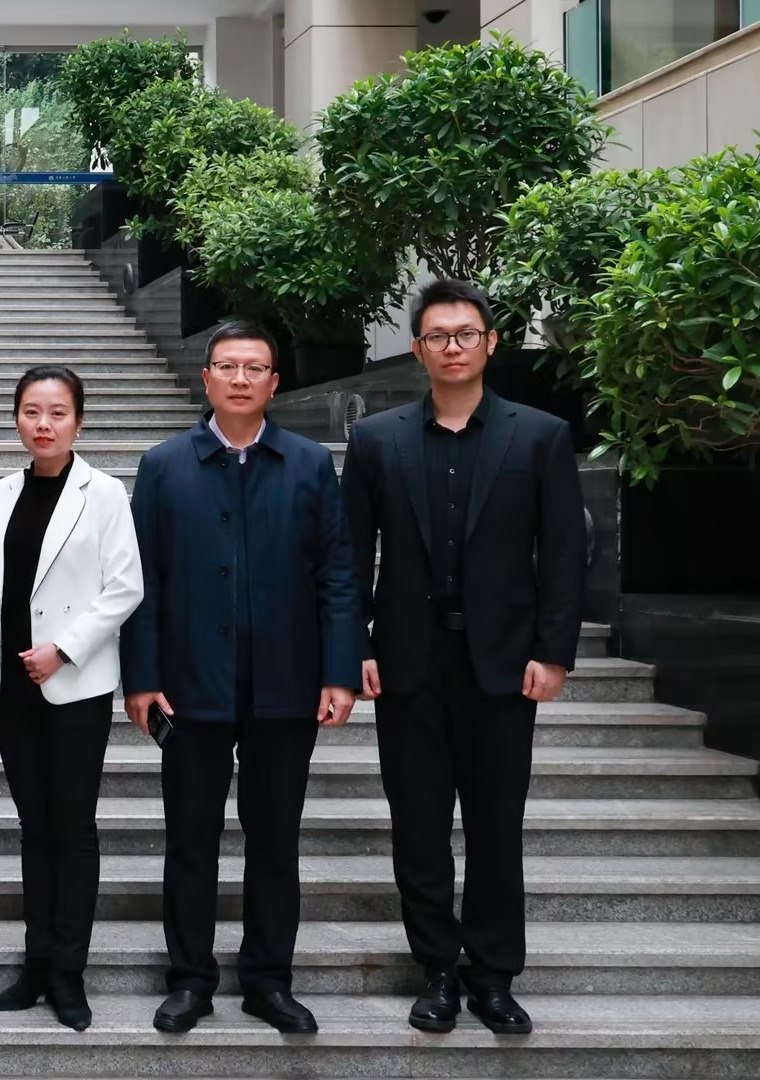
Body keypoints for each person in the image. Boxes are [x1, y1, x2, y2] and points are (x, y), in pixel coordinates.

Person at [344, 279, 585, 1036]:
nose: (453, 346)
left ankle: (494, 974)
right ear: (418, 349)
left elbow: (564, 553)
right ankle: (437, 971)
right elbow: (348, 558)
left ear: (490, 343)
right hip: (408, 663)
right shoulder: (376, 440)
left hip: (503, 665)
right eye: (438, 336)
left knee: (495, 826)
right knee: (417, 825)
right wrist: (355, 647)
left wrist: (554, 652)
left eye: (466, 334)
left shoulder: (540, 435)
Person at [121, 320, 362, 1036]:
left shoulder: (309, 464)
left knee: (275, 839)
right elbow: (142, 582)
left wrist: (340, 670)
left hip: (286, 685)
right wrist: (142, 678)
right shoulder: (164, 465)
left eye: (254, 368)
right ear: (206, 378)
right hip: (190, 687)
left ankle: (267, 980)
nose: (240, 378)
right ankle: (190, 980)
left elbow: (338, 574)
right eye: (227, 366)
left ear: (274, 382)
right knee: (190, 839)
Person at [0, 365, 144, 1031]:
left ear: (78, 421)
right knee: (34, 827)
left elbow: (124, 587)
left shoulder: (104, 493)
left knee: (72, 829)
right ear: (17, 417)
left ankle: (69, 972)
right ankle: (37, 962)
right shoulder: (2, 492)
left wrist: (63, 649)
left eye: (57, 413)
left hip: (74, 684)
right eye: (31, 412)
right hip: (14, 686)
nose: (43, 424)